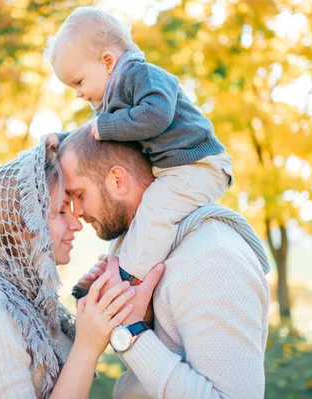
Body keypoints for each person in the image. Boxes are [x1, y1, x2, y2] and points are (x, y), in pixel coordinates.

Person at [58, 124, 271, 398]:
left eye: (79, 195)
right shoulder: (139, 251)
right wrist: (143, 319)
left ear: (117, 181)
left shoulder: (211, 257)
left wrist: (130, 330)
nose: (78, 214)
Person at [0, 135, 165, 399]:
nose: (76, 223)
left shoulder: (32, 304)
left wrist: (90, 303)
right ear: (21, 229)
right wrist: (86, 347)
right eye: (61, 211)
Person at [47, 6, 234, 283]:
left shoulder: (142, 75)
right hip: (174, 169)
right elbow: (91, 134)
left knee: (156, 210)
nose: (78, 93)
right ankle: (114, 267)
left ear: (107, 61)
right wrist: (61, 140)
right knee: (139, 223)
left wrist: (105, 125)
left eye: (79, 82)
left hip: (198, 163)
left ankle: (129, 279)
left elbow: (156, 115)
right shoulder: (109, 99)